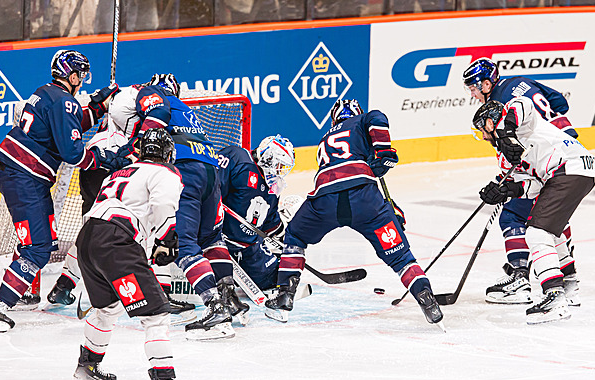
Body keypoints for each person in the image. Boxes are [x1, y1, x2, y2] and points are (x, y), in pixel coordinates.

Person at [265, 98, 444, 326]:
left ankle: (285, 294)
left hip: (324, 199)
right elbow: (377, 116)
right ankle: (425, 298)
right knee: (400, 257)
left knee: (295, 237)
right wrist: (383, 151)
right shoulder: (362, 121)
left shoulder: (325, 139)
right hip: (365, 200)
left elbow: (341, 172)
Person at [71, 127, 200, 380]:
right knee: (156, 315)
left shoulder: (118, 173)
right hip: (116, 242)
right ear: (168, 153)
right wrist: (166, 240)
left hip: (87, 238)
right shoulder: (167, 173)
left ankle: (87, 369)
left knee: (106, 309)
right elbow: (164, 207)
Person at [46, 84, 196, 318]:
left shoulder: (124, 97)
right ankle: (161, 292)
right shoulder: (150, 96)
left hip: (96, 161)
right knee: (141, 224)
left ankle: (64, 285)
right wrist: (126, 152)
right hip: (113, 162)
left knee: (95, 224)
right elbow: (153, 122)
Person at [0, 49, 121, 332]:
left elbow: (69, 125)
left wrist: (99, 107)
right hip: (24, 177)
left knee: (44, 242)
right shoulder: (64, 102)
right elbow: (74, 153)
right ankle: (1, 302)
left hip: (24, 175)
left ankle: (21, 288)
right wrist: (104, 158)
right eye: (81, 75)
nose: (83, 80)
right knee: (38, 248)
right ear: (73, 75)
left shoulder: (47, 94)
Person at [463, 57, 580, 305]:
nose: (473, 94)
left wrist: (507, 183)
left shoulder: (501, 102)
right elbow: (561, 103)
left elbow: (517, 143)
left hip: (550, 153)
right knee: (550, 214)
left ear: (486, 84)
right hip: (568, 145)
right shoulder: (520, 81)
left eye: (474, 88)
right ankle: (568, 278)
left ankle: (521, 278)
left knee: (514, 214)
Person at [473, 99, 595, 324]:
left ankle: (554, 297)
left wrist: (507, 130)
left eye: (482, 129)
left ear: (491, 122)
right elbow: (534, 186)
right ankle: (569, 286)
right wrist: (507, 190)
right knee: (551, 231)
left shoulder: (522, 124)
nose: (482, 136)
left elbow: (523, 103)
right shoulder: (503, 156)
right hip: (574, 171)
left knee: (536, 232)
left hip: (569, 168)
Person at [134, 73, 235, 340]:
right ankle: (229, 297)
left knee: (184, 244)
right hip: (210, 172)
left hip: (186, 172)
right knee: (212, 238)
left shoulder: (153, 94)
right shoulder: (186, 109)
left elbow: (154, 115)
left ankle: (216, 308)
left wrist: (135, 146)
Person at [217, 134, 295, 322]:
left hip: (250, 248)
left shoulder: (272, 185)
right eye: (278, 165)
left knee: (275, 277)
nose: (280, 171)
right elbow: (211, 186)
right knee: (210, 280)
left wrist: (286, 239)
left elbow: (270, 222)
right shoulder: (238, 159)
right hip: (220, 241)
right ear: (268, 158)